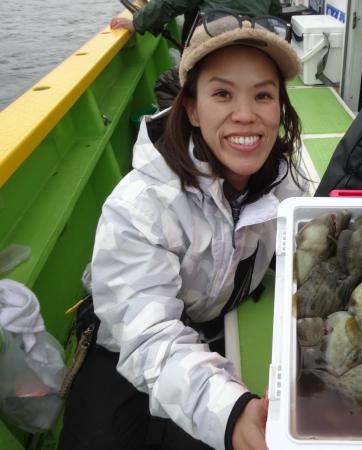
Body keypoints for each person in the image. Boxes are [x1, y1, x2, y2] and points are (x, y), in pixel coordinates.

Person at [59, 10, 305, 450]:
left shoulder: (286, 183)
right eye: (222, 94)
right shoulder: (140, 206)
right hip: (128, 339)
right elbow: (149, 336)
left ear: (280, 107)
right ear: (191, 108)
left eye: (263, 95)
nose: (246, 115)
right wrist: (233, 414)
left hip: (215, 321)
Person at [110, 0, 282, 44]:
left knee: (168, 81)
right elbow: (275, 13)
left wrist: (137, 23)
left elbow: (171, 4)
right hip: (257, 36)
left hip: (216, 36)